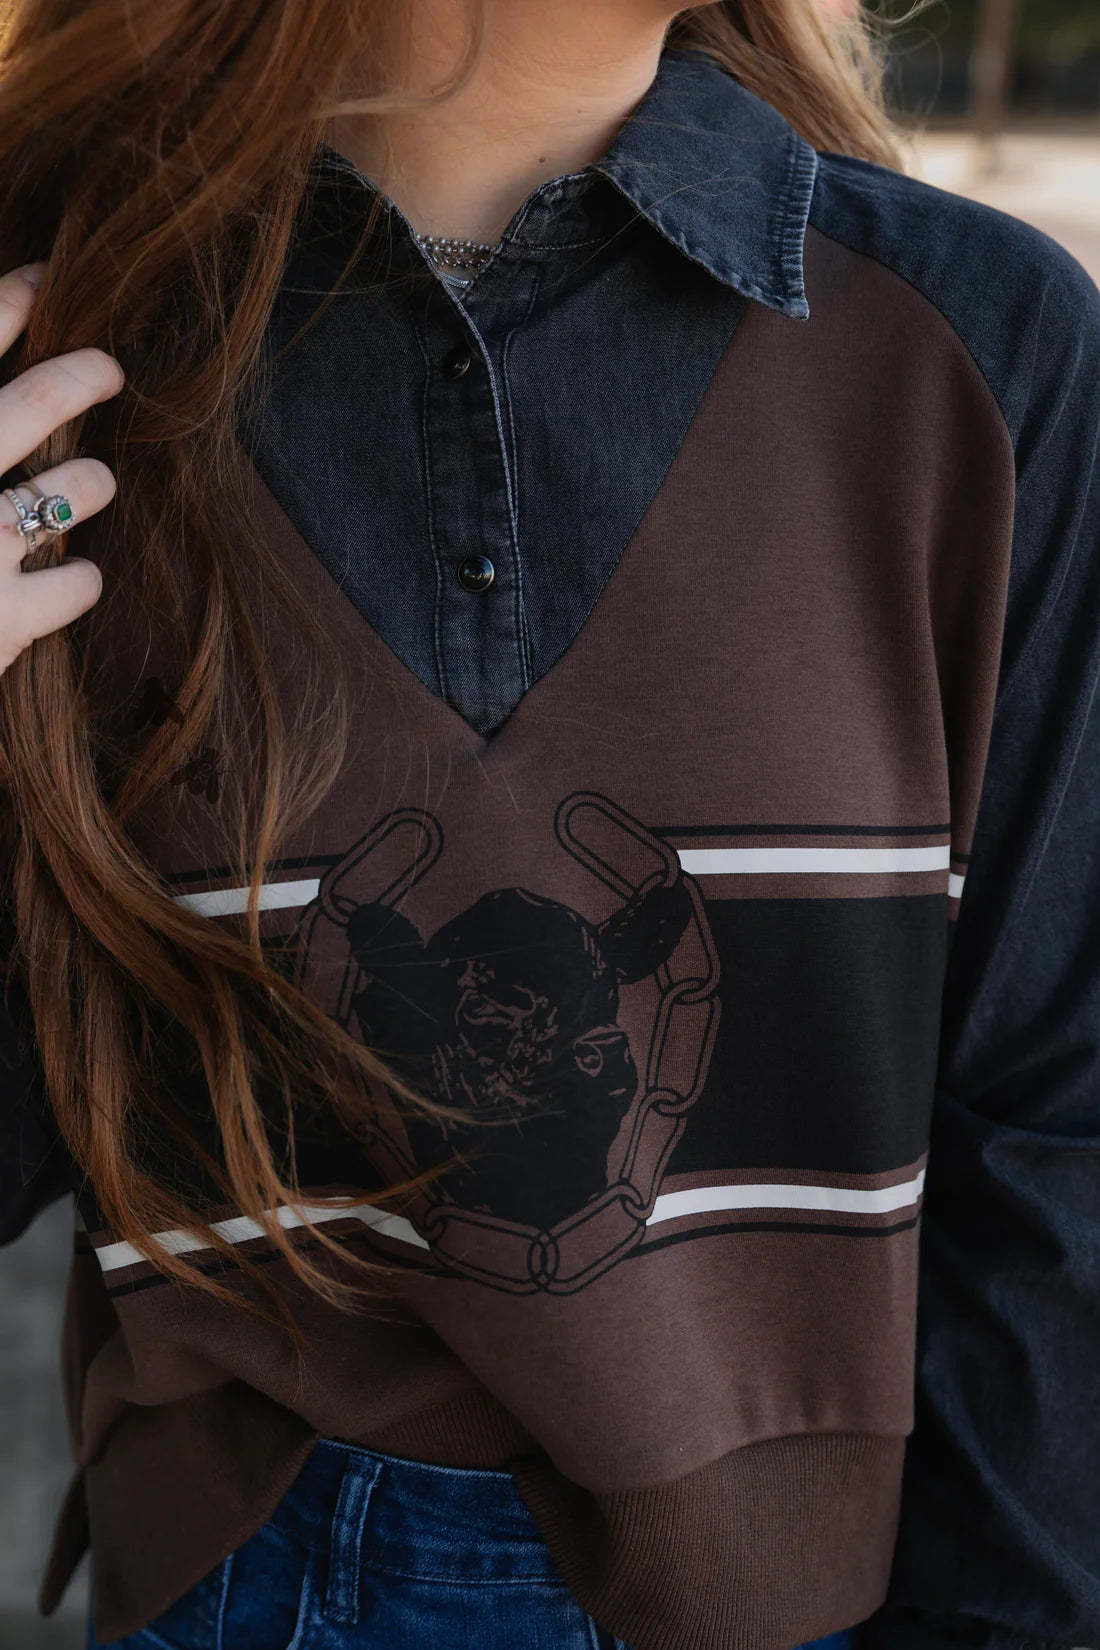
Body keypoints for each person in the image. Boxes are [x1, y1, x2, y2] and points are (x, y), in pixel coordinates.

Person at [0, 0, 1097, 1647]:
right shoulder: (56, 329)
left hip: (822, 1587)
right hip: (242, 1567)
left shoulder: (987, 351)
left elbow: (1060, 1116)